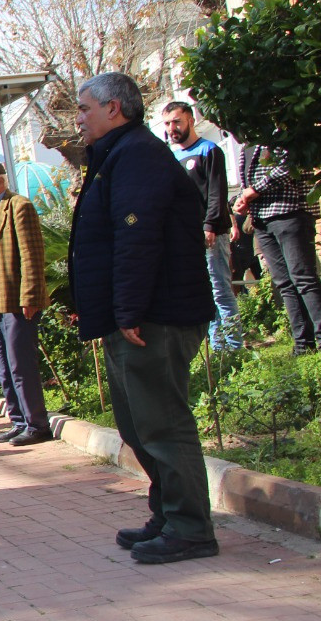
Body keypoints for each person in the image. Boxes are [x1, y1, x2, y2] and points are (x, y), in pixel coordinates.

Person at [71, 73, 218, 563]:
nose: (78, 117)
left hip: (155, 315)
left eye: (85, 107)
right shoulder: (117, 154)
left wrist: (130, 308)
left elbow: (138, 236)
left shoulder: (136, 154)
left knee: (163, 424)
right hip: (131, 315)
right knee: (137, 426)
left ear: (115, 108)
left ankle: (191, 528)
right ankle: (168, 514)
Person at [0, 161, 53, 446]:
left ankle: (37, 423)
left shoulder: (19, 206)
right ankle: (18, 421)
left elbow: (32, 254)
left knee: (20, 365)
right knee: (2, 366)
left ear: (0, 181)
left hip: (15, 301)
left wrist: (29, 296)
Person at [164, 102, 242, 351]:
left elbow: (217, 194)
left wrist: (209, 226)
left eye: (177, 121)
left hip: (210, 233)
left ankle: (234, 345)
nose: (172, 128)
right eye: (167, 124)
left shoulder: (210, 150)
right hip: (185, 236)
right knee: (202, 293)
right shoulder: (171, 156)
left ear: (190, 120)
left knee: (220, 289)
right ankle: (217, 348)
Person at [234, 141, 321, 353]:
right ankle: (303, 345)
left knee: (304, 278)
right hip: (261, 220)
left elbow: (291, 166)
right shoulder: (245, 144)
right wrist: (241, 199)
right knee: (284, 283)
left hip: (290, 213)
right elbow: (247, 184)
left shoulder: (279, 132)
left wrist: (254, 190)